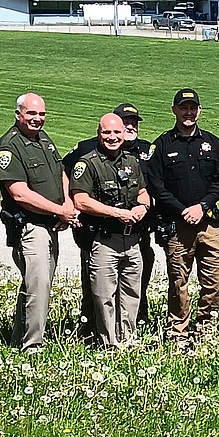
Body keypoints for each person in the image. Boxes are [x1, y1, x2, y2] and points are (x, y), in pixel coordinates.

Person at [0, 92, 78, 351]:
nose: (37, 119)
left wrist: (67, 204)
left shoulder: (43, 139)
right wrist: (59, 210)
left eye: (41, 114)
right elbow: (19, 193)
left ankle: (19, 338)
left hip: (50, 223)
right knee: (38, 286)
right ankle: (32, 346)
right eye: (31, 113)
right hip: (30, 226)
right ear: (18, 114)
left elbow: (60, 171)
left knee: (37, 284)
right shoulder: (9, 146)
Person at [64, 102, 155, 334]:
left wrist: (143, 207)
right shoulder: (87, 162)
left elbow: (143, 191)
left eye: (117, 132)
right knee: (103, 295)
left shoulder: (131, 161)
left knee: (132, 293)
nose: (112, 137)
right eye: (107, 132)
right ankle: (108, 342)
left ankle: (127, 339)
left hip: (133, 238)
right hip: (103, 238)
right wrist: (118, 213)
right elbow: (81, 200)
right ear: (99, 133)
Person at [146, 89, 219, 344]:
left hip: (208, 222)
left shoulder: (212, 143)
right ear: (174, 110)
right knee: (178, 281)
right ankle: (178, 331)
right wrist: (183, 210)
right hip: (177, 224)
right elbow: (155, 185)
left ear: (199, 110)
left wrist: (202, 206)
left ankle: (206, 327)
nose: (189, 112)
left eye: (193, 108)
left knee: (215, 277)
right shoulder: (162, 145)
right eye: (184, 108)